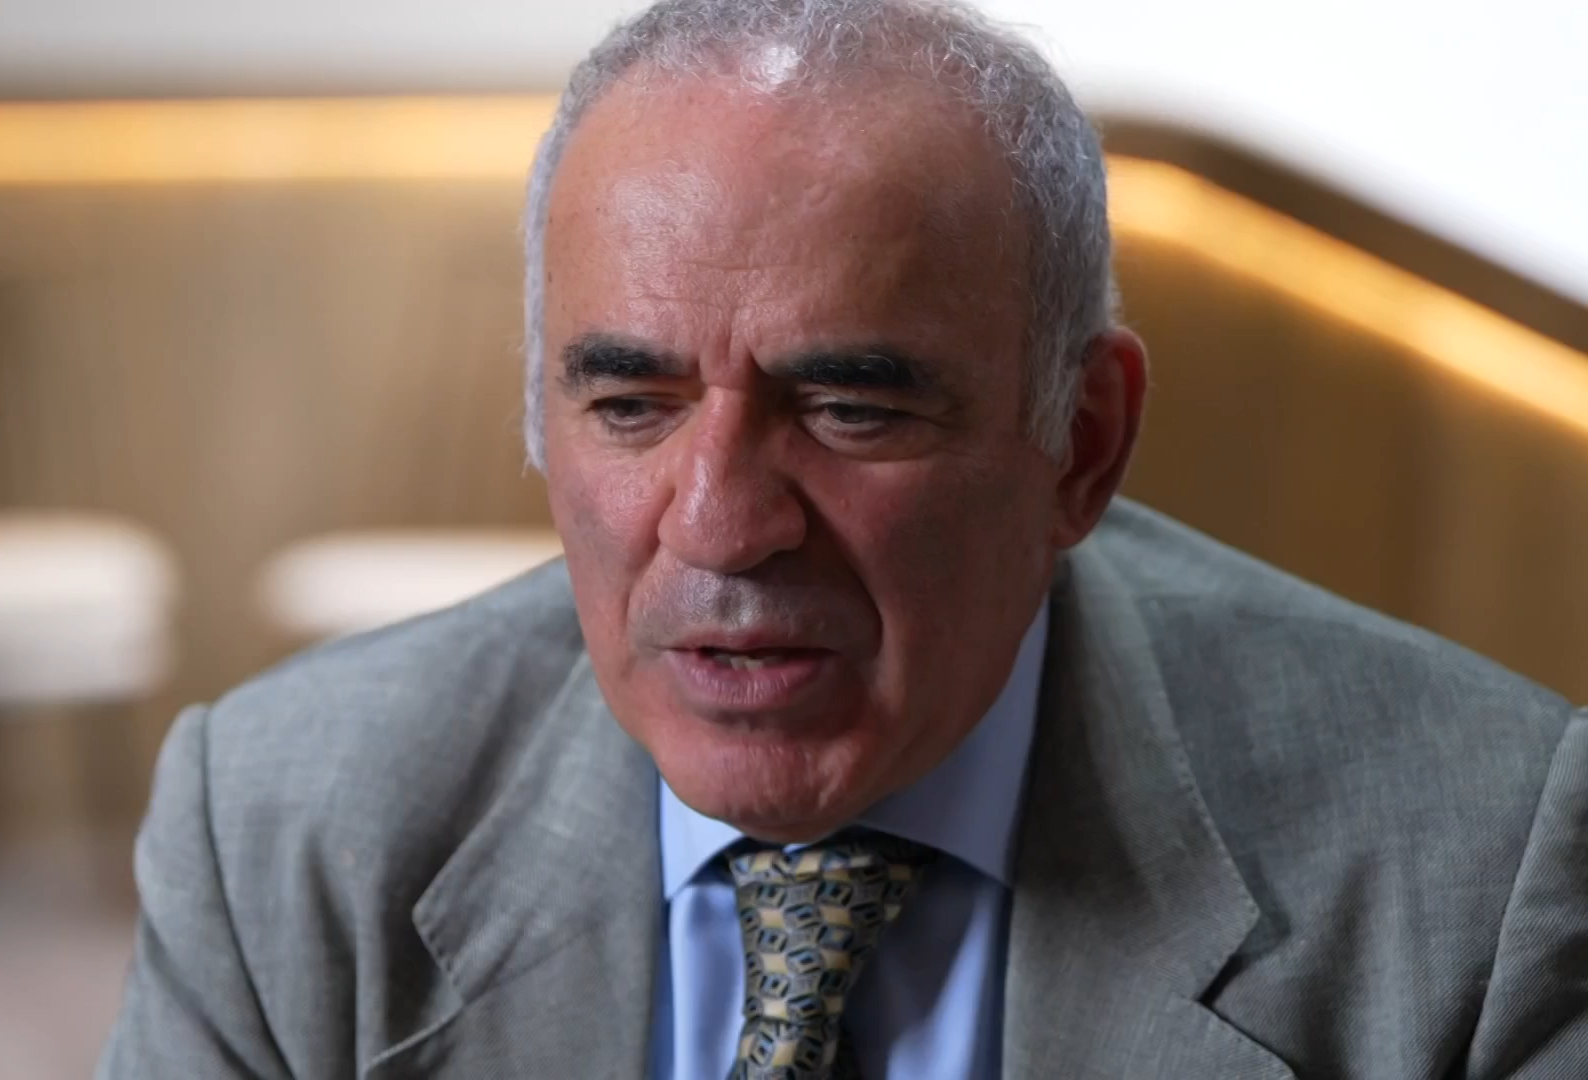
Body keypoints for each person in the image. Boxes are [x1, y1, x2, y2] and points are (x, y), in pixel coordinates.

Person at [96, 1, 1588, 1077]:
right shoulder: (286, 828)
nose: (722, 525)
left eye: (852, 409)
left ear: (1082, 445)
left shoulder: (1480, 863)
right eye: (632, 405)